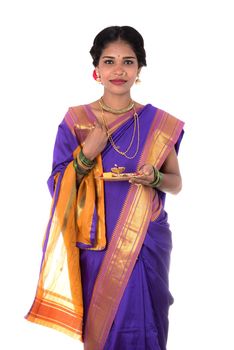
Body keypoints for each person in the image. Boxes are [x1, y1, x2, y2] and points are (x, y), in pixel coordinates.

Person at [25, 26, 184, 350]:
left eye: (128, 61)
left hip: (146, 238)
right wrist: (87, 153)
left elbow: (176, 183)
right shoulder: (77, 120)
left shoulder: (159, 123)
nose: (119, 70)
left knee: (147, 323)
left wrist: (154, 178)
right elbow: (56, 184)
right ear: (96, 69)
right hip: (96, 240)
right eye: (109, 61)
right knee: (104, 324)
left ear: (139, 69)